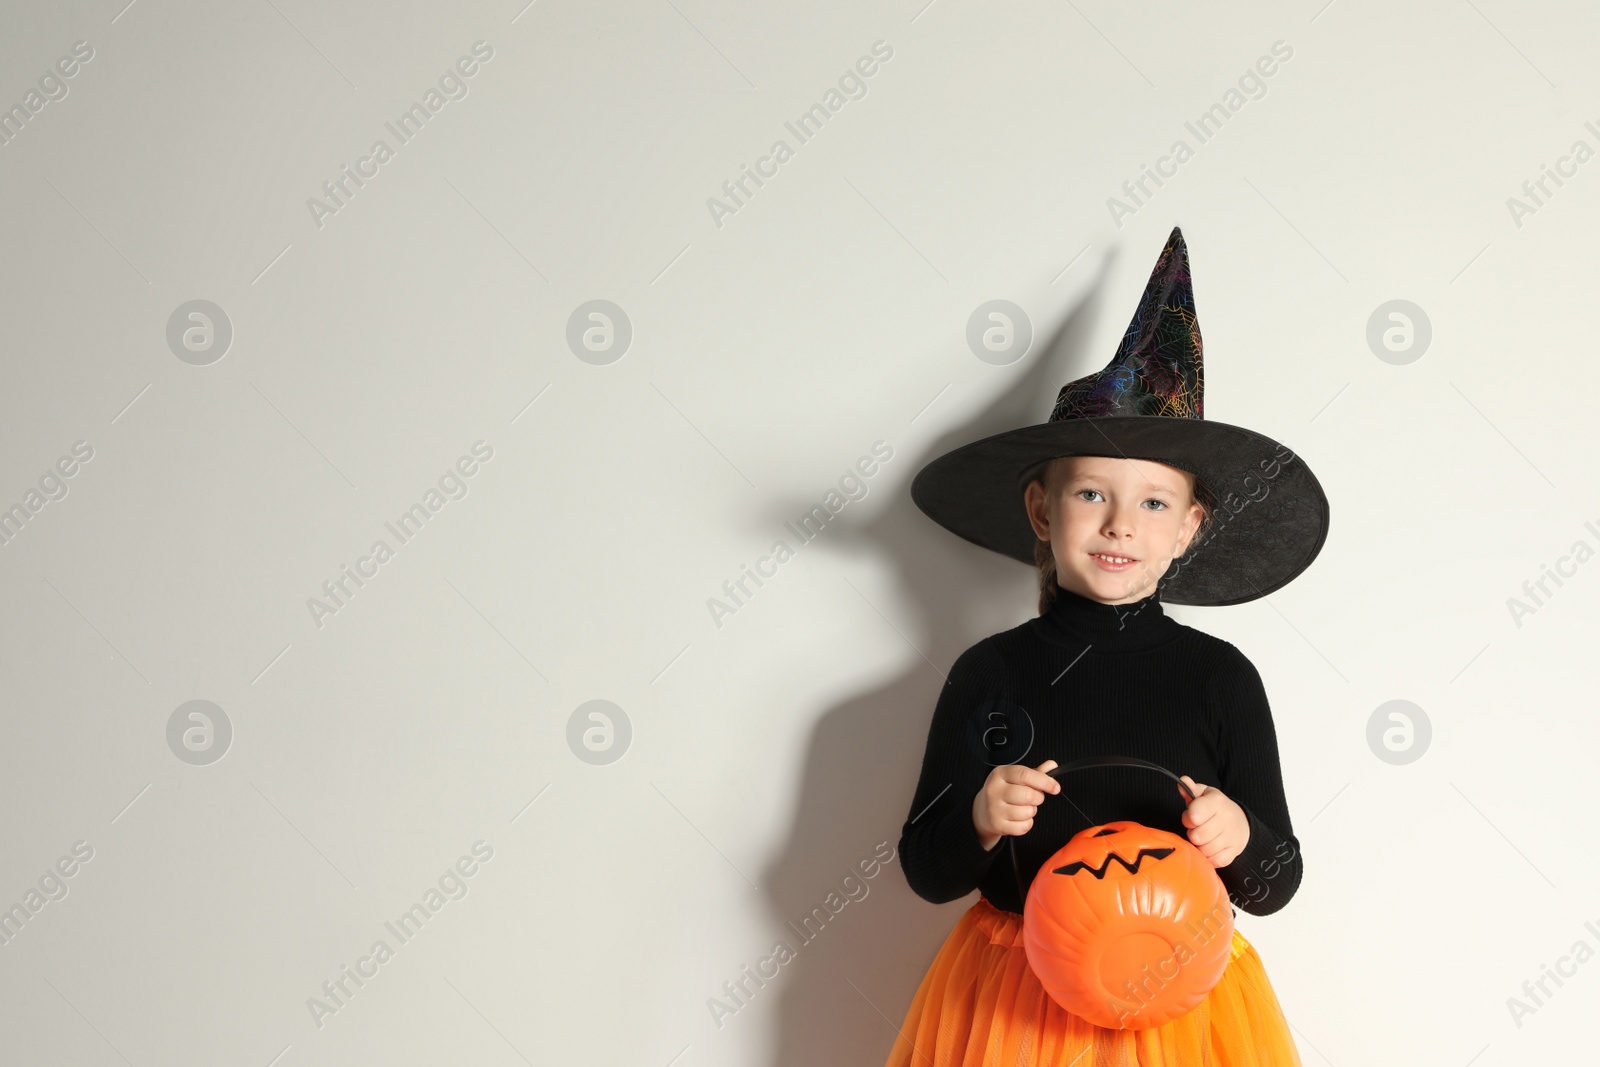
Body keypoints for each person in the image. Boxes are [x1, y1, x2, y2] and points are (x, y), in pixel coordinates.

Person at [885, 226, 1328, 1065]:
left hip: (1183, 1009)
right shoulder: (991, 672)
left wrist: (1240, 837)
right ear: (1043, 512)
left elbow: (1278, 883)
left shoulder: (1220, 678)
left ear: (1191, 529)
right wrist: (980, 818)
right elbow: (926, 868)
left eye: (1155, 503)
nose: (1122, 522)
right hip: (1019, 1009)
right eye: (1092, 492)